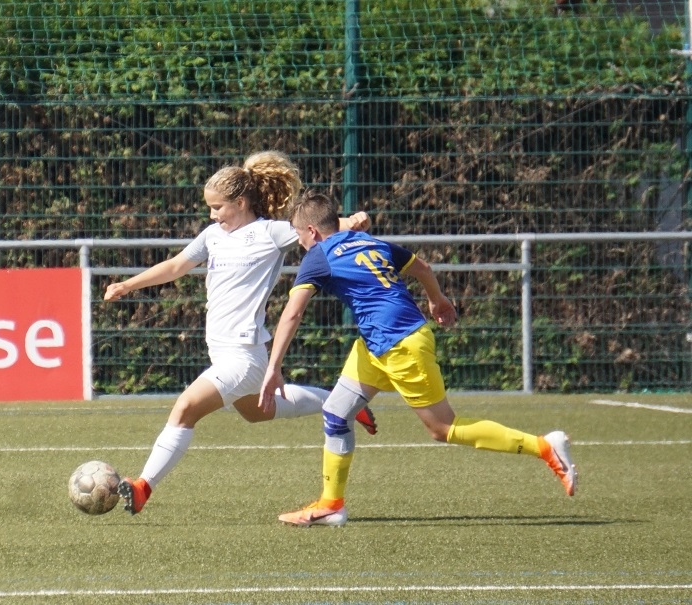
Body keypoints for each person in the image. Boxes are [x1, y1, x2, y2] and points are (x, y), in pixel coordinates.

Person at [260, 189, 578, 528]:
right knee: (336, 412)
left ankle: (544, 447)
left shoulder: (318, 255)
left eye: (298, 234)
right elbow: (422, 267)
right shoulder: (369, 241)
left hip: (400, 344)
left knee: (443, 428)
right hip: (376, 344)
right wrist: (437, 299)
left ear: (311, 231)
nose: (299, 243)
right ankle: (331, 505)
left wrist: (273, 367)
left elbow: (293, 313)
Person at [103, 151, 378, 515]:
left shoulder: (269, 232)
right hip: (224, 353)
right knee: (258, 412)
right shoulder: (212, 236)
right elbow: (175, 266)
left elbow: (321, 227)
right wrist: (128, 285)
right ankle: (338, 403)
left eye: (217, 207)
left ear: (241, 202)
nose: (212, 215)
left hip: (244, 355)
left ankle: (143, 487)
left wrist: (352, 220)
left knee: (185, 408)